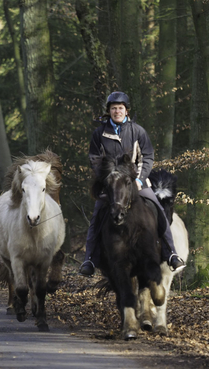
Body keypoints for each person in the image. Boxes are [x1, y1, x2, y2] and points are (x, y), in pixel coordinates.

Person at [79, 91, 185, 277]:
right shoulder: (99, 133)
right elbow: (95, 159)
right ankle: (89, 259)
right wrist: (106, 179)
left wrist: (139, 179)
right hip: (111, 185)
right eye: (113, 108)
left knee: (158, 209)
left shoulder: (138, 131)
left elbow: (148, 156)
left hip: (137, 182)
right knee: (96, 217)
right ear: (109, 111)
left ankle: (171, 253)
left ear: (126, 111)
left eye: (120, 108)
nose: (117, 111)